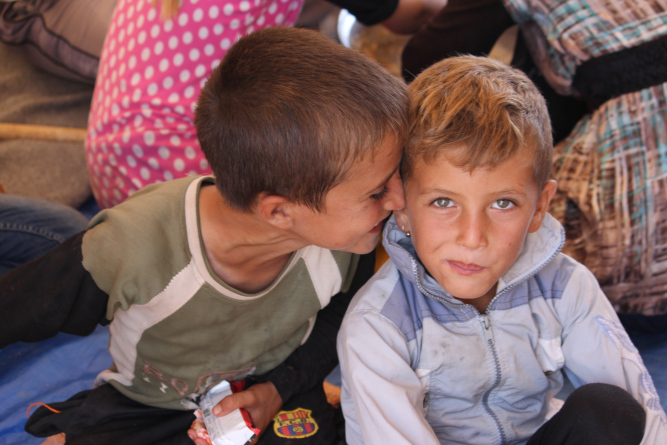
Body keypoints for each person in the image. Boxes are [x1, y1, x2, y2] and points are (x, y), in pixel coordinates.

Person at [0, 26, 408, 445]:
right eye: (377, 191)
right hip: (149, 408)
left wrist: (278, 389)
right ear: (280, 211)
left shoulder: (352, 237)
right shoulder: (131, 246)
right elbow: (13, 310)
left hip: (271, 394)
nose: (399, 198)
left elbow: (339, 319)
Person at [337, 55, 667, 445]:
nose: (473, 237)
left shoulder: (565, 286)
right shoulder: (379, 324)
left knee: (611, 411)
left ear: (539, 208)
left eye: (503, 204)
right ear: (403, 207)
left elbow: (644, 419)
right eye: (443, 202)